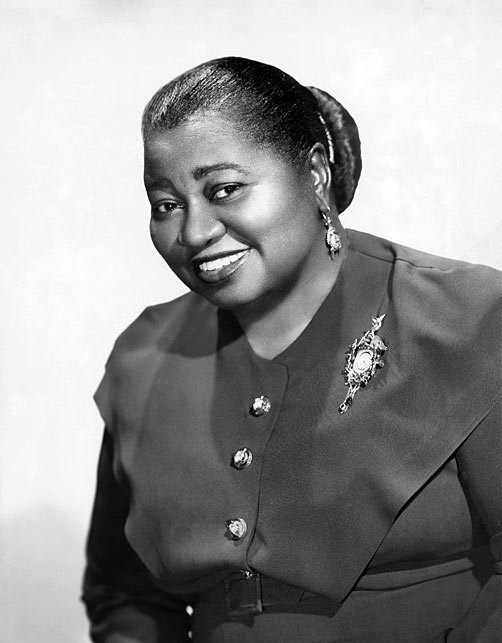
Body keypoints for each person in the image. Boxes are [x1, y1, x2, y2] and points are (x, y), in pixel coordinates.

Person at [82, 57, 501, 642]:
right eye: (166, 204)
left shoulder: (472, 317)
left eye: (224, 189)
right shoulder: (145, 360)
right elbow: (124, 595)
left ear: (314, 173)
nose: (195, 231)